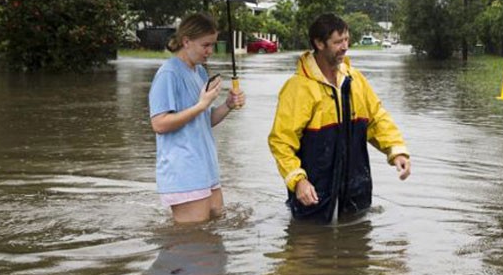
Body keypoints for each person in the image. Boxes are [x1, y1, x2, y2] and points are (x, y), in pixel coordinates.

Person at [268, 13, 410, 223]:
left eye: (346, 40)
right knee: (307, 244)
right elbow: (281, 141)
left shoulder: (355, 80)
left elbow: (377, 118)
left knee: (357, 243)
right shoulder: (297, 88)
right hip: (313, 193)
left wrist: (396, 151)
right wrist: (298, 182)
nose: (345, 47)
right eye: (337, 42)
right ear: (319, 43)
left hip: (355, 189)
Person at [148, 13, 245, 223]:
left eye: (213, 44)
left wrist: (227, 105)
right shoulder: (168, 74)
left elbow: (204, 120)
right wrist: (201, 105)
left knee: (215, 230)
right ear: (186, 41)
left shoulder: (200, 72)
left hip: (206, 168)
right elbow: (159, 123)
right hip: (184, 172)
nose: (210, 51)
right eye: (206, 45)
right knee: (194, 243)